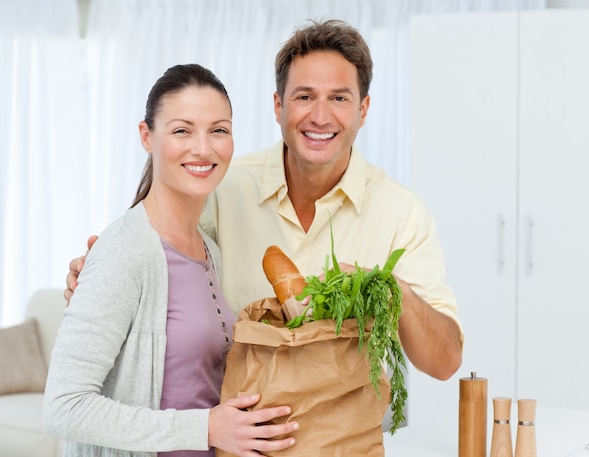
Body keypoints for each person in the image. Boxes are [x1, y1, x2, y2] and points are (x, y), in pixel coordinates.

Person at [67, 19, 462, 384]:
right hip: (234, 438)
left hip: (345, 439)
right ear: (278, 107)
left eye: (339, 99)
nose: (320, 117)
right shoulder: (221, 187)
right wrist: (101, 277)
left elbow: (445, 363)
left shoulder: (402, 213)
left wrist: (392, 289)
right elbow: (157, 261)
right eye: (304, 96)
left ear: (363, 110)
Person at [44, 64, 299, 457]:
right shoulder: (125, 251)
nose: (203, 147)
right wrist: (206, 427)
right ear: (148, 136)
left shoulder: (208, 249)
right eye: (182, 130)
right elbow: (64, 407)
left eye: (219, 130)